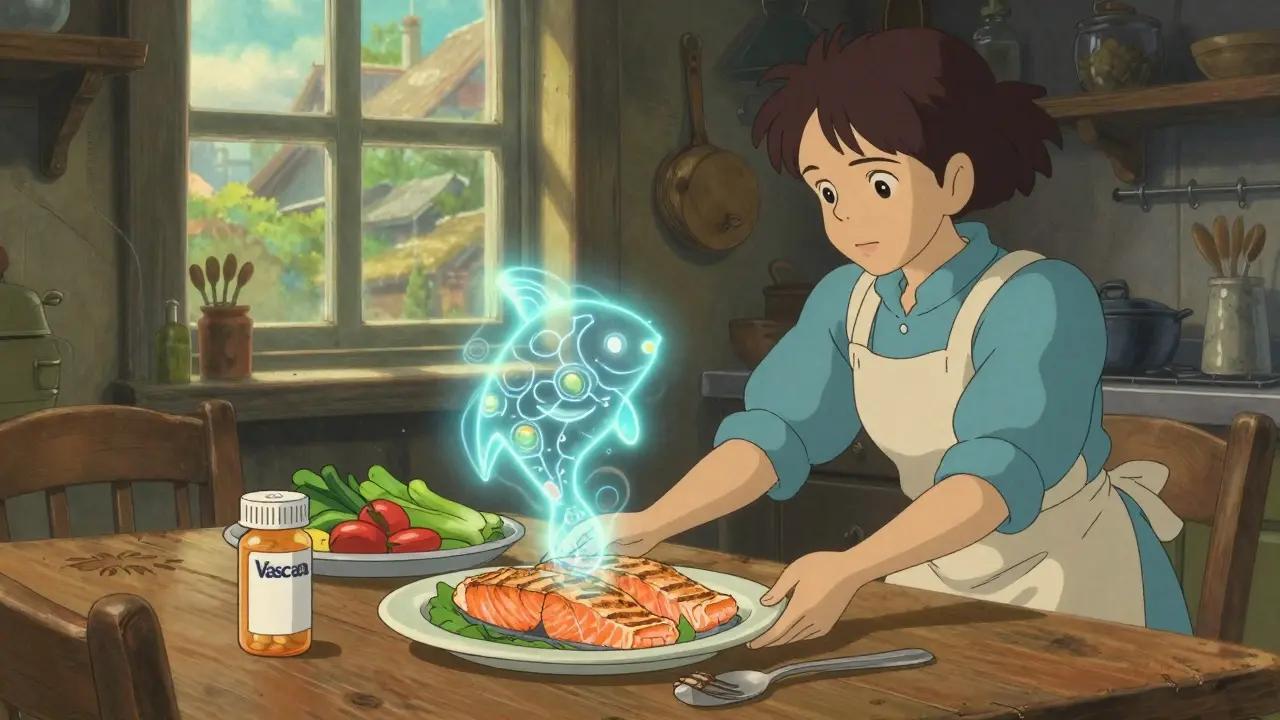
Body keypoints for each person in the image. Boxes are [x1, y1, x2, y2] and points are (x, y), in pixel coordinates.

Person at [550, 26, 1192, 646]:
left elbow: (993, 480)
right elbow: (774, 436)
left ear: (955, 180)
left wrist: (853, 566)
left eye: (877, 183)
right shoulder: (847, 301)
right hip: (938, 573)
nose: (848, 213)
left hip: (1080, 595)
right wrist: (649, 524)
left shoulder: (1040, 296)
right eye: (827, 189)